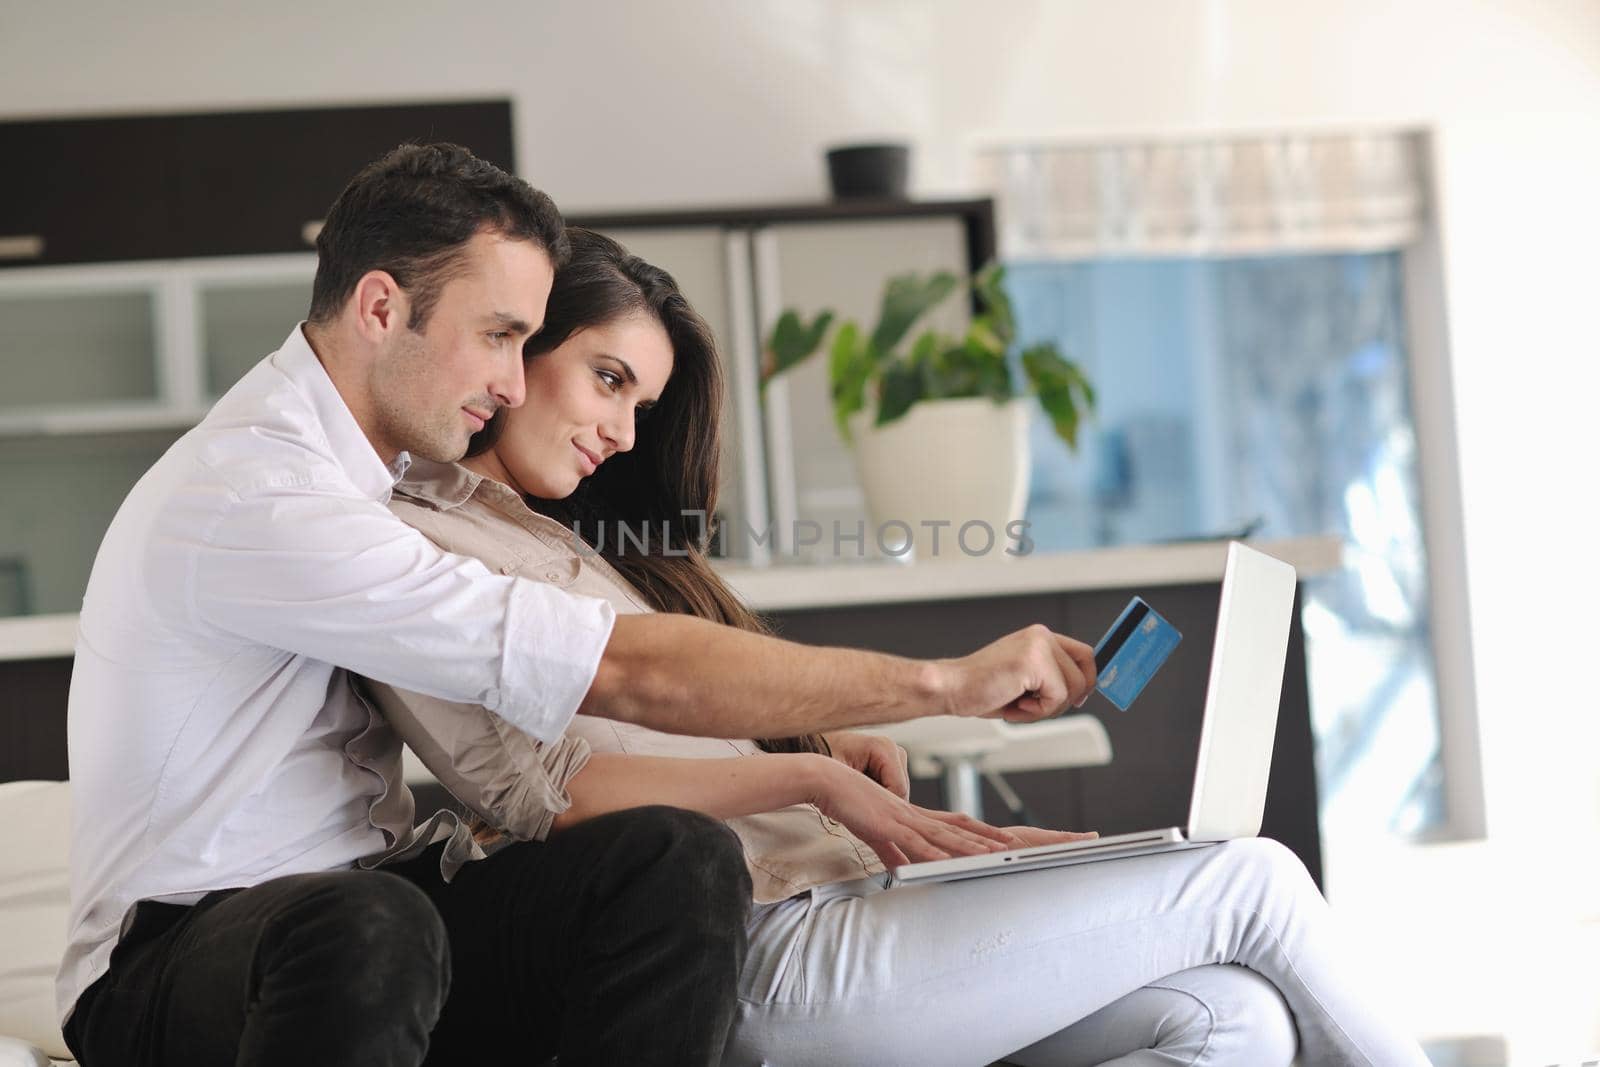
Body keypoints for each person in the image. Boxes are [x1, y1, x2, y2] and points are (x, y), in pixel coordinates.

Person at [58, 145, 1101, 1067]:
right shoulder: (265, 493)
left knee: (668, 855)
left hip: (365, 908)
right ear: (380, 308)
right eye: (500, 336)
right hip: (177, 955)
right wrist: (943, 683)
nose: (514, 385)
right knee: (370, 923)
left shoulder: (378, 483)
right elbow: (620, 668)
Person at [366, 227, 1435, 1066]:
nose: (626, 432)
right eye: (607, 379)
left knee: (1236, 1019)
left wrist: (850, 776)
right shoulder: (419, 545)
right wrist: (815, 777)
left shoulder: (591, 549)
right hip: (764, 944)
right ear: (517, 353)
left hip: (857, 898)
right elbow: (544, 790)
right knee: (1250, 881)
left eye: (643, 402)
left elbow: (698, 713)